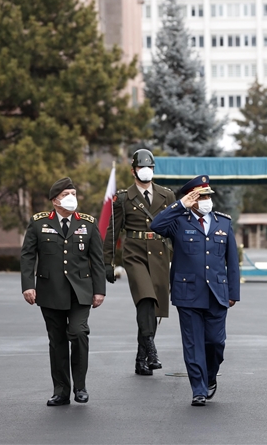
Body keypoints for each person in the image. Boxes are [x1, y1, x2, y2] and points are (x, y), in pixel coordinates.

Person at [150, 175, 240, 406]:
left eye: (208, 195)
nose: (206, 199)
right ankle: (198, 389)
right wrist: (180, 205)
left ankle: (210, 376)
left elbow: (232, 261)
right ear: (191, 198)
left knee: (215, 343)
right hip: (188, 293)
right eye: (200, 196)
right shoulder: (179, 221)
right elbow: (155, 225)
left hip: (217, 294)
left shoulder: (223, 223)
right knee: (193, 345)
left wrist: (233, 293)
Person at [20, 177, 105, 406]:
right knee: (57, 341)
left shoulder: (88, 223)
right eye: (67, 194)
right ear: (55, 200)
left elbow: (97, 259)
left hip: (80, 292)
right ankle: (61, 391)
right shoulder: (38, 223)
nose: (72, 198)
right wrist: (28, 285)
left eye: (74, 194)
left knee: (78, 333)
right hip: (49, 291)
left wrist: (100, 290)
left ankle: (80, 387)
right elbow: (28, 255)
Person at [103, 149, 176, 376]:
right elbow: (112, 231)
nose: (147, 171)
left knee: (153, 307)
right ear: (133, 170)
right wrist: (107, 262)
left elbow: (175, 230)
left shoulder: (167, 195)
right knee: (145, 297)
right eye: (142, 167)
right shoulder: (124, 198)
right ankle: (151, 349)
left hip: (161, 255)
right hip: (134, 254)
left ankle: (141, 357)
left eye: (150, 167)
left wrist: (179, 259)